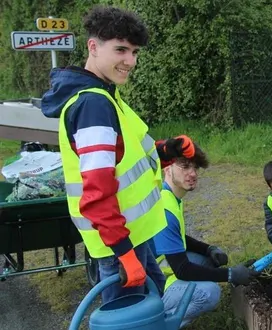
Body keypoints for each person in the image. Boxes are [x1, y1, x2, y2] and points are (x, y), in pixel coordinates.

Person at [41, 5, 196, 303]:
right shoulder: (93, 105)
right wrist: (124, 253)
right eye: (121, 50)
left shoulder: (107, 94)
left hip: (133, 238)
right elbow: (97, 193)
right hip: (119, 246)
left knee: (154, 307)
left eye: (135, 52)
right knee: (130, 318)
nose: (130, 61)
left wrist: (167, 151)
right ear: (93, 47)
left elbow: (130, 156)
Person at [150, 142, 259, 327]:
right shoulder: (165, 208)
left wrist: (208, 249)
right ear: (167, 168)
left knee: (208, 261)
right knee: (209, 293)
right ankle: (159, 322)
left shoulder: (170, 195)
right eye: (185, 166)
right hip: (152, 286)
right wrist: (231, 274)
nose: (192, 173)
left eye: (195, 167)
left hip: (161, 269)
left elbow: (178, 239)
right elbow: (182, 269)